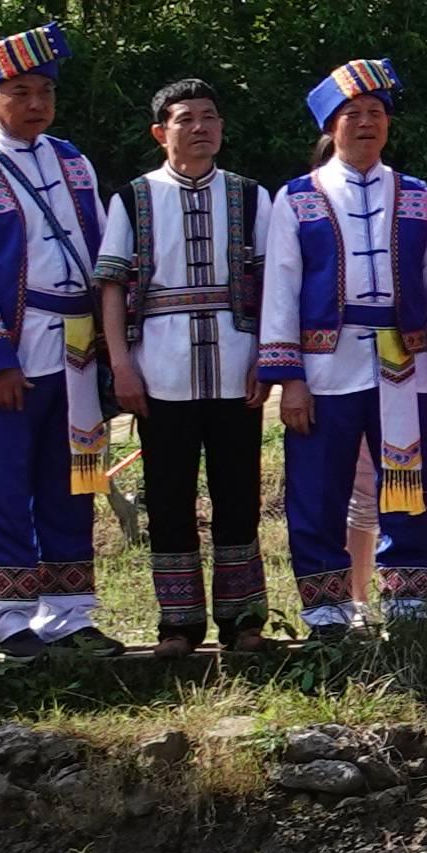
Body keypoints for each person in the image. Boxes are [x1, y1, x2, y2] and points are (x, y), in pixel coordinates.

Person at [258, 58, 427, 628]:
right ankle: (326, 607)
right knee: (317, 486)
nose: (367, 123)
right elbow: (281, 287)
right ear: (330, 126)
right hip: (326, 366)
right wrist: (290, 378)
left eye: (377, 112)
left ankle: (410, 601)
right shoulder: (297, 198)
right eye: (353, 113)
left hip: (404, 363)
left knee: (409, 481)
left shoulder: (420, 196)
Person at [0, 22, 110, 656]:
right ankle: (8, 618)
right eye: (18, 92)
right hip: (10, 344)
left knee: (74, 475)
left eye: (43, 91)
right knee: (4, 479)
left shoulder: (73, 160)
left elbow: (102, 249)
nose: (34, 103)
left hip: (79, 345)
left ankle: (69, 614)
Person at [93, 76, 269, 650]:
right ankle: (178, 624)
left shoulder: (249, 195)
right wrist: (121, 364)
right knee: (168, 497)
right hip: (160, 370)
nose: (200, 128)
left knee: (238, 493)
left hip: (236, 365)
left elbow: (271, 281)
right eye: (185, 118)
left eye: (210, 117)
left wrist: (266, 358)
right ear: (159, 132)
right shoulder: (133, 197)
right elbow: (113, 285)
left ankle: (243, 621)